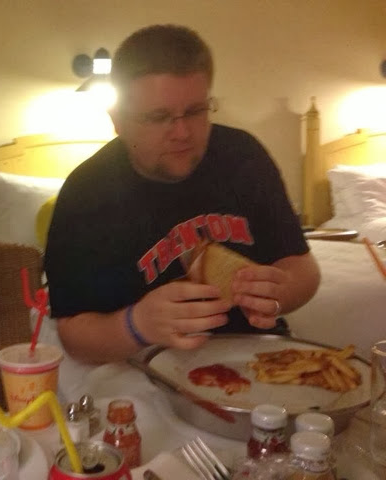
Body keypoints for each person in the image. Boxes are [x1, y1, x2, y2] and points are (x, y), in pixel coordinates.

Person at [44, 24, 320, 364]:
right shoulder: (86, 193)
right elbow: (74, 338)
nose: (181, 132)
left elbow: (303, 268)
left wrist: (281, 294)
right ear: (118, 120)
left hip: (257, 358)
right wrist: (136, 325)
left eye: (194, 111)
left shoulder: (243, 156)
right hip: (142, 366)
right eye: (158, 117)